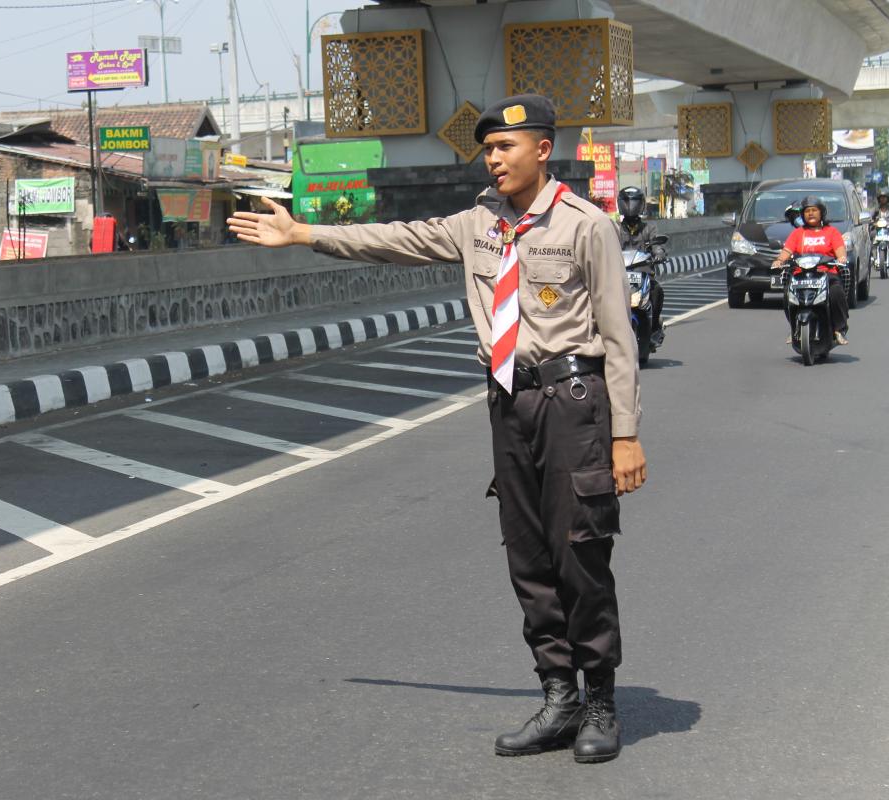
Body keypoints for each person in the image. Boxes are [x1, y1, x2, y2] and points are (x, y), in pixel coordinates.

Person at [227, 94, 645, 764]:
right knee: (529, 558)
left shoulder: (585, 226)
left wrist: (624, 434)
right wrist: (304, 232)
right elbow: (396, 239)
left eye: (506, 147)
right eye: (488, 149)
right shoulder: (477, 220)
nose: (494, 158)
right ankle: (558, 695)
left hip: (572, 402)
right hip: (508, 404)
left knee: (580, 554)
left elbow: (620, 339)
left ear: (543, 148)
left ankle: (600, 700)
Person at [771, 195, 849, 344]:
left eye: (814, 210)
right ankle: (794, 327)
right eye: (807, 211)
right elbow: (786, 252)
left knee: (836, 293)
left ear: (822, 213)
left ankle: (839, 329)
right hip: (801, 274)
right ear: (802, 215)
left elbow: (840, 251)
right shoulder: (797, 233)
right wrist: (779, 261)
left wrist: (841, 258)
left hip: (826, 274)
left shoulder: (832, 232)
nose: (811, 213)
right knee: (788, 294)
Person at [616, 186, 666, 348]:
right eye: (628, 201)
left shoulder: (649, 229)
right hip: (618, 276)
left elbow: (657, 244)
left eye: (634, 201)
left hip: (643, 274)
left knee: (657, 291)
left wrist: (659, 253)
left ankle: (655, 329)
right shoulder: (614, 229)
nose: (631, 205)